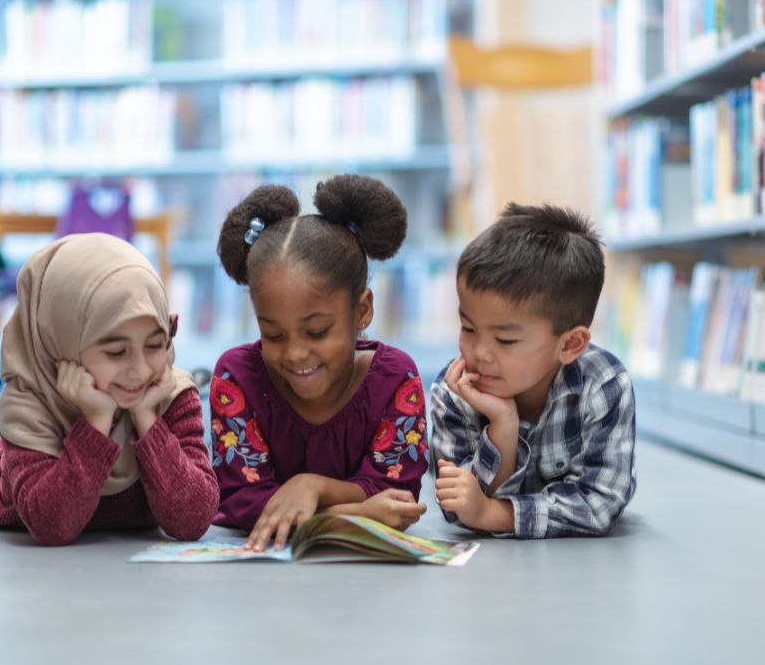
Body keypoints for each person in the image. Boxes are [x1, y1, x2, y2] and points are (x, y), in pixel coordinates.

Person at [0, 233, 219, 546]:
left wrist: (146, 418)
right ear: (63, 341)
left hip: (80, 466)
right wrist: (97, 423)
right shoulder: (31, 404)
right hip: (23, 487)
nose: (139, 371)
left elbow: (192, 520)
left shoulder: (171, 393)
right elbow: (53, 526)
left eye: (154, 345)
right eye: (115, 352)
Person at [211, 174, 428, 551]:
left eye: (316, 332)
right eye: (274, 335)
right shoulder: (238, 377)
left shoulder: (395, 379)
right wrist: (358, 514)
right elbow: (244, 501)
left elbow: (396, 499)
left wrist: (310, 486)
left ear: (361, 311)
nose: (294, 354)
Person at [430, 203, 636, 538]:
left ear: (570, 345)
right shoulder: (453, 390)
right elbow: (457, 506)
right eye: (468, 328)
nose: (478, 352)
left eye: (505, 339)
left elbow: (600, 503)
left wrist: (494, 514)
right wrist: (503, 427)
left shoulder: (604, 384)